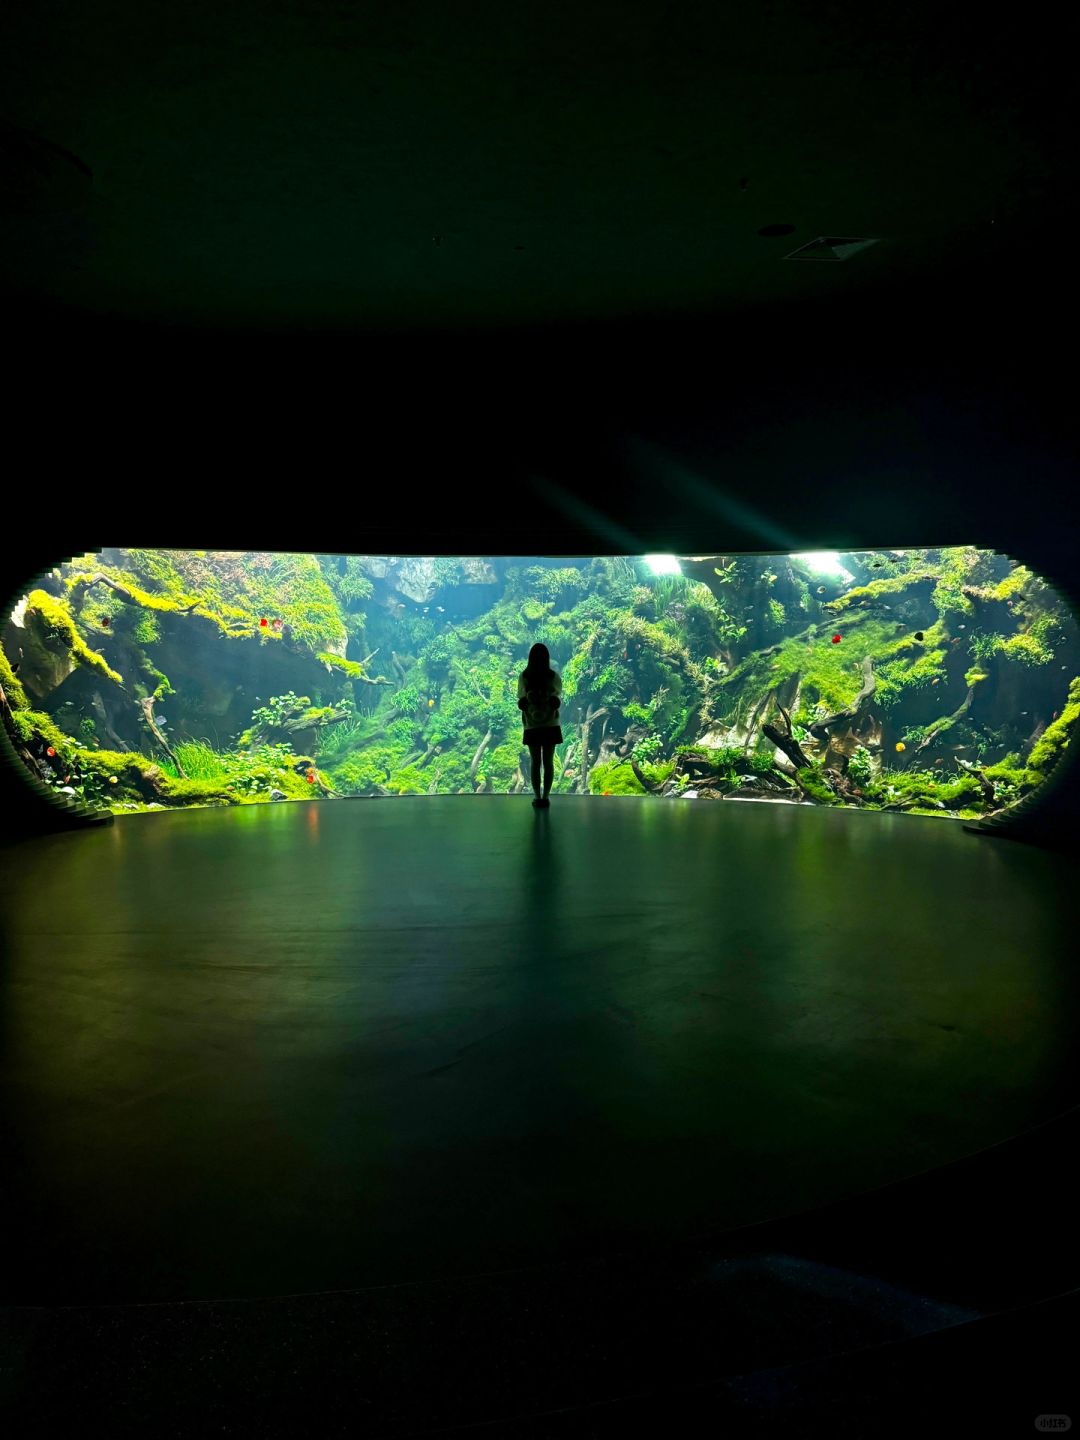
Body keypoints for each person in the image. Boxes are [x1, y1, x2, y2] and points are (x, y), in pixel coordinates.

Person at [517, 643, 562, 808]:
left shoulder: (525, 676)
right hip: (551, 724)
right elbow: (557, 699)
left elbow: (521, 701)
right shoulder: (553, 676)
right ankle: (546, 797)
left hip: (532, 725)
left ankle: (537, 797)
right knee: (548, 762)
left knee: (535, 762)